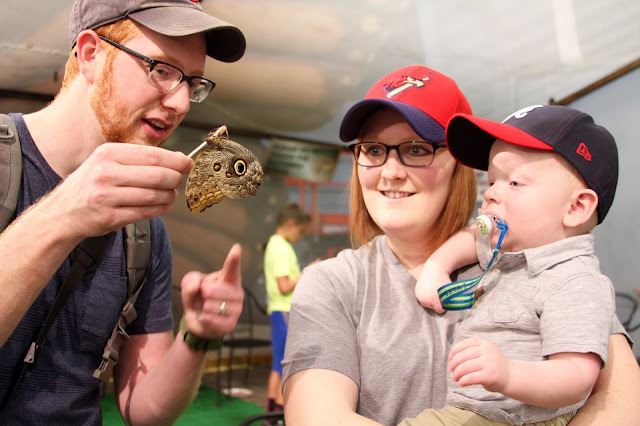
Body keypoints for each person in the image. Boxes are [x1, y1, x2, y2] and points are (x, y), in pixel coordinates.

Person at [280, 65, 640, 426]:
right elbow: (317, 417)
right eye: (373, 149)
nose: (390, 171)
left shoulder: (532, 259)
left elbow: (621, 399)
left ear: (459, 166)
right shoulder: (334, 282)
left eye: (416, 149)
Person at [0, 0, 248, 424]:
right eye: (163, 69)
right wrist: (66, 212)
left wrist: (197, 335)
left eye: (193, 82)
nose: (182, 103)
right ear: (91, 54)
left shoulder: (144, 228)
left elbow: (142, 409)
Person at [407, 104, 618, 425]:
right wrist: (437, 265)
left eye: (515, 183)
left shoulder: (574, 280)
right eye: (492, 181)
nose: (490, 194)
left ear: (576, 207)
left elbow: (576, 375)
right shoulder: (512, 246)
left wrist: (509, 373)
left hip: (512, 418)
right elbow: (471, 236)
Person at [263, 203, 317, 414]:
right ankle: (279, 413)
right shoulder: (280, 247)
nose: (300, 236)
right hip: (284, 311)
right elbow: (283, 285)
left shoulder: (276, 245)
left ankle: (270, 414)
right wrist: (308, 272)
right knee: (287, 366)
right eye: (300, 231)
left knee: (278, 365)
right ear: (290, 224)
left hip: (280, 312)